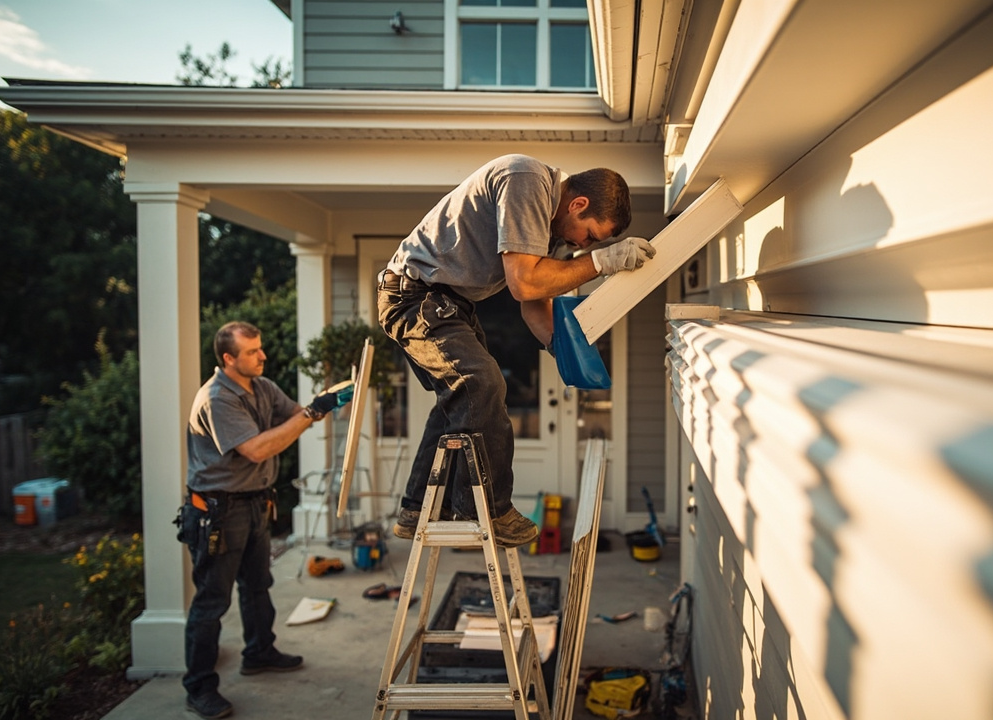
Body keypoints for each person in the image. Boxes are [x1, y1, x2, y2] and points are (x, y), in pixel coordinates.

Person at [377, 154, 655, 547]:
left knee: (460, 401)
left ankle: (415, 507)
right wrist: (599, 262)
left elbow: (534, 300)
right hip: (415, 296)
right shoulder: (527, 180)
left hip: (449, 304)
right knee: (480, 385)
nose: (584, 243)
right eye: (591, 234)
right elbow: (524, 284)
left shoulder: (554, 231)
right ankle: (485, 508)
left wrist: (561, 347)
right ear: (578, 204)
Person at [181, 321, 349, 719]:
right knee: (211, 601)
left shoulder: (262, 386)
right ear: (228, 358)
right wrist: (311, 412)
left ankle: (259, 652)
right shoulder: (217, 398)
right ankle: (199, 688)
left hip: (255, 504)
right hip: (218, 512)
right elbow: (256, 450)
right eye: (253, 352)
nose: (263, 356)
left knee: (258, 585)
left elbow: (295, 417)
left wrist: (326, 402)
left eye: (260, 348)